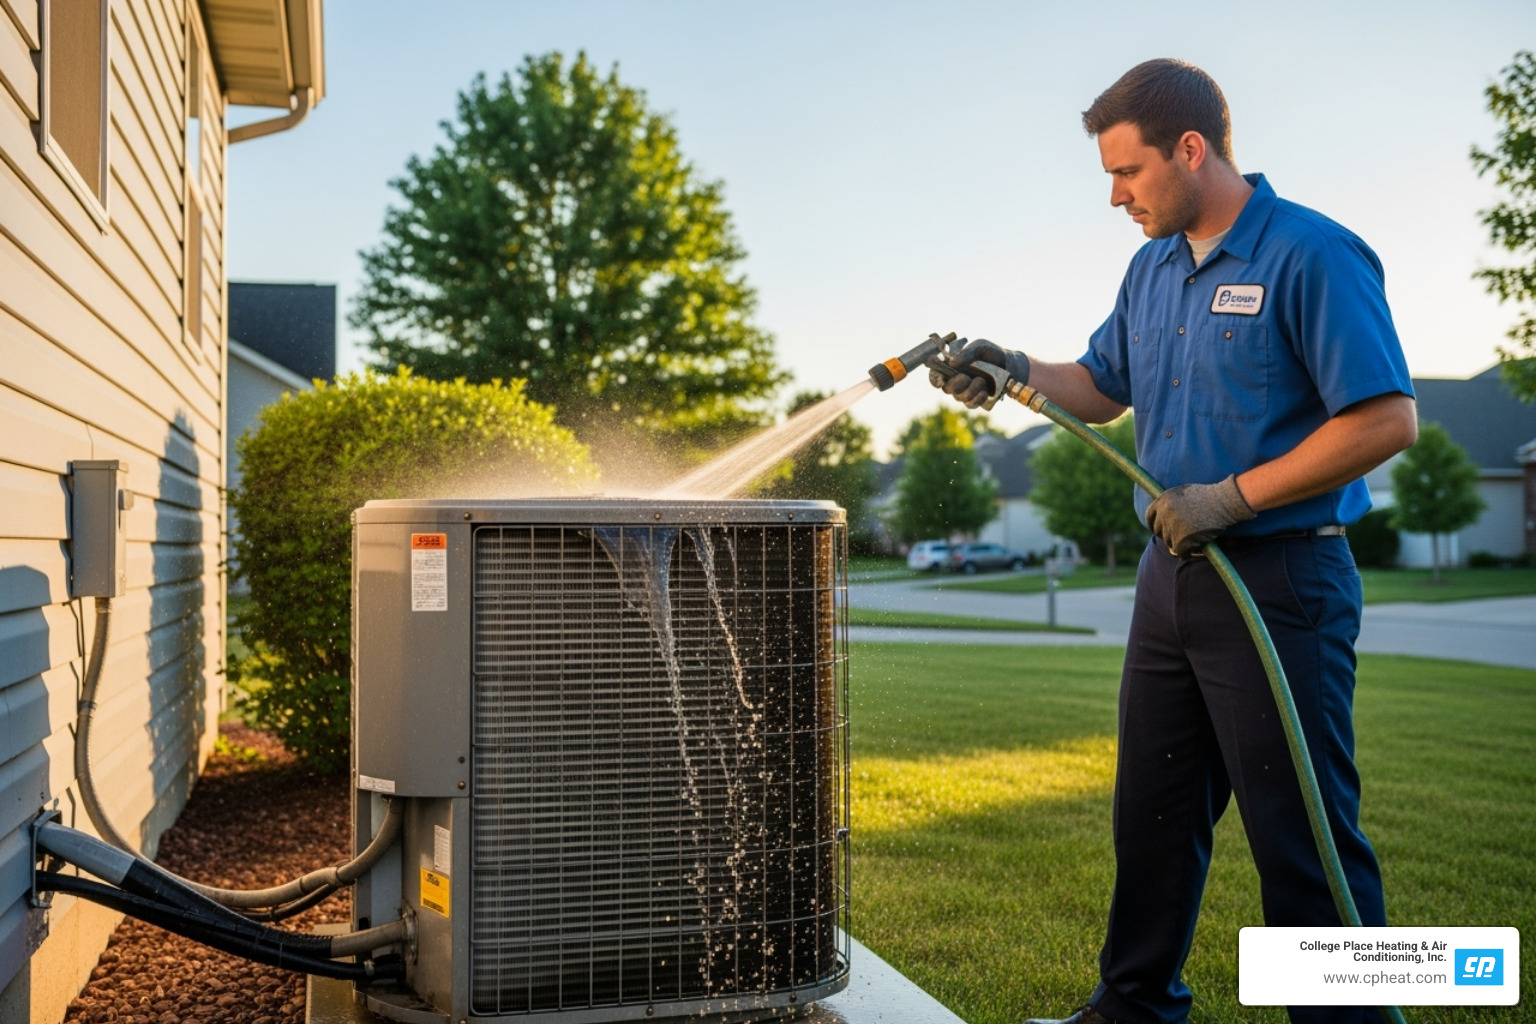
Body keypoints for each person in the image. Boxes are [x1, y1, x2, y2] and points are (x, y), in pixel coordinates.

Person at [933, 59, 1417, 1024]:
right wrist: (1013, 367)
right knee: (1151, 819)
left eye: (1128, 172)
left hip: (1280, 581)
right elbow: (1103, 386)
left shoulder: (1312, 254)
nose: (1115, 196)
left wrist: (1230, 498)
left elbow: (1385, 422)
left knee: (1304, 837)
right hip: (1175, 581)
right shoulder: (1152, 266)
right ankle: (1134, 1008)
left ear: (1191, 149)